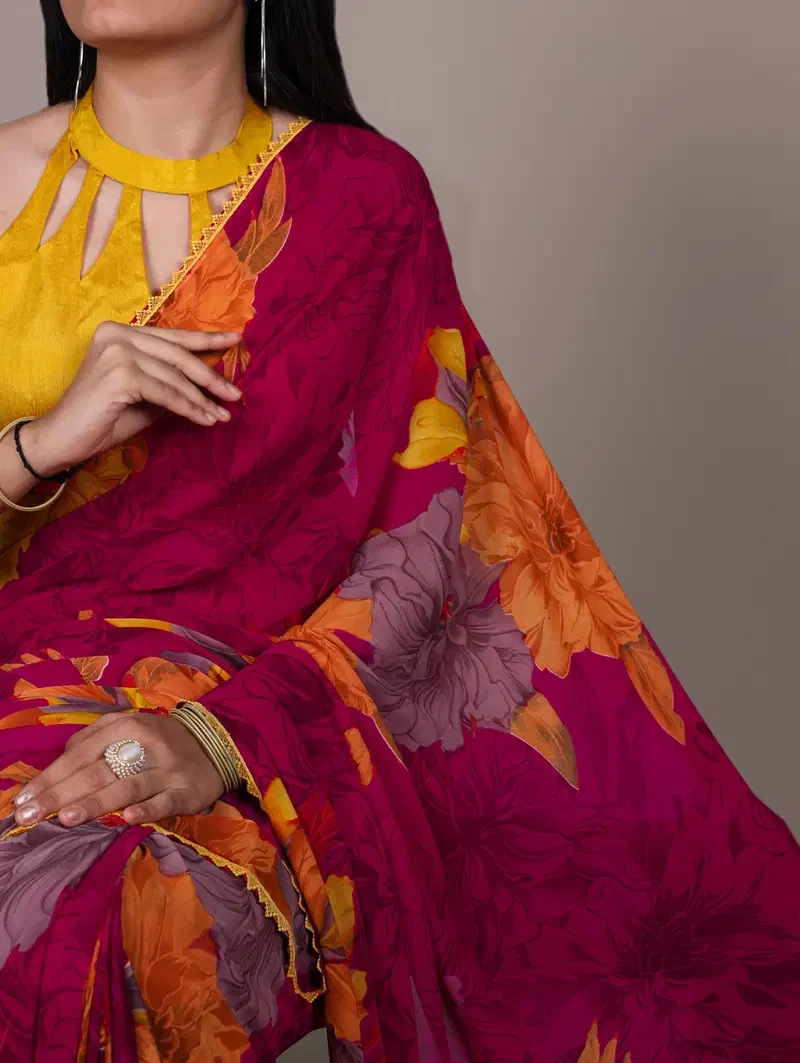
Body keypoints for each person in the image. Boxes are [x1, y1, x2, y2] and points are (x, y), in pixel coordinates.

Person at [0, 2, 797, 1060]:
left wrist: (218, 737)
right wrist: (39, 445)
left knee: (113, 921)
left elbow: (430, 544)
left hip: (252, 711)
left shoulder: (365, 202)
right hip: (17, 667)